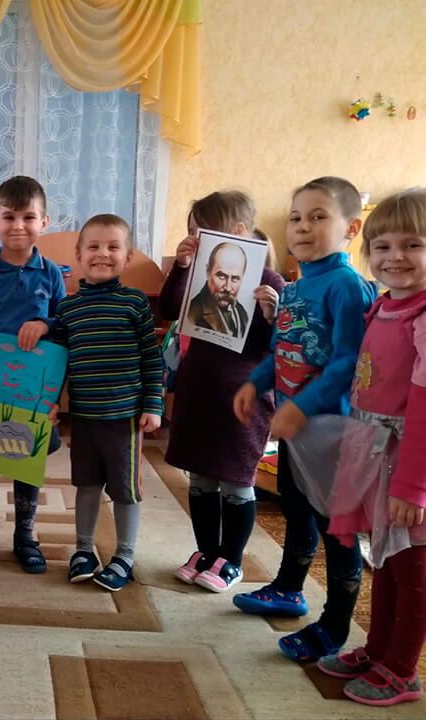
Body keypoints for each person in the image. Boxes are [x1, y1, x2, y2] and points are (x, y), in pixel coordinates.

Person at [233, 177, 377, 661]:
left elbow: (349, 362)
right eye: (296, 217)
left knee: (337, 527)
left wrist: (301, 406)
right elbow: (281, 351)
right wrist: (255, 382)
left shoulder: (347, 287)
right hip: (297, 431)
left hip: (334, 432)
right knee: (296, 508)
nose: (302, 227)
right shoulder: (293, 288)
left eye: (318, 217)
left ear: (351, 229)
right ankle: (289, 588)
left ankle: (335, 625)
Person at [314, 189, 426, 706]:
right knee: (385, 562)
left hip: (411, 466)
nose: (394, 257)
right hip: (381, 454)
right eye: (382, 246)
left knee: (413, 572)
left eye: (413, 245)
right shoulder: (384, 305)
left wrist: (412, 486)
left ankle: (402, 670)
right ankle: (378, 649)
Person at [159, 191, 284, 592]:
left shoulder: (270, 282)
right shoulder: (199, 273)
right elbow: (169, 309)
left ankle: (231, 560)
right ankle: (206, 552)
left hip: (243, 395)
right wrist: (181, 267)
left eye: (203, 232)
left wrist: (272, 314)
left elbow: (280, 345)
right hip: (199, 390)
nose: (196, 239)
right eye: (192, 232)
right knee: (199, 476)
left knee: (236, 478)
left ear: (238, 232)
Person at [0, 175, 65, 575]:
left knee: (26, 461)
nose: (19, 225)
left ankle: (25, 538)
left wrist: (44, 323)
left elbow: (64, 326)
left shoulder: (51, 273)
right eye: (9, 217)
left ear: (44, 222)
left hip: (33, 390)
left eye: (28, 217)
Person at [52, 214, 163, 591]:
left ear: (127, 257)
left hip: (125, 418)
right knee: (86, 485)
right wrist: (50, 401)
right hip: (83, 417)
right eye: (94, 247)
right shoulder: (67, 309)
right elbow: (58, 364)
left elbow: (151, 358)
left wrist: (153, 404)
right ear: (79, 255)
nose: (103, 254)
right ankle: (83, 550)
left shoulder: (135, 303)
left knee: (124, 490)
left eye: (113, 247)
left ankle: (125, 556)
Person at [186, 241, 249, 338]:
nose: (228, 288)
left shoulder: (242, 314)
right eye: (221, 276)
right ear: (208, 271)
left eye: (235, 278)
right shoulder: (192, 313)